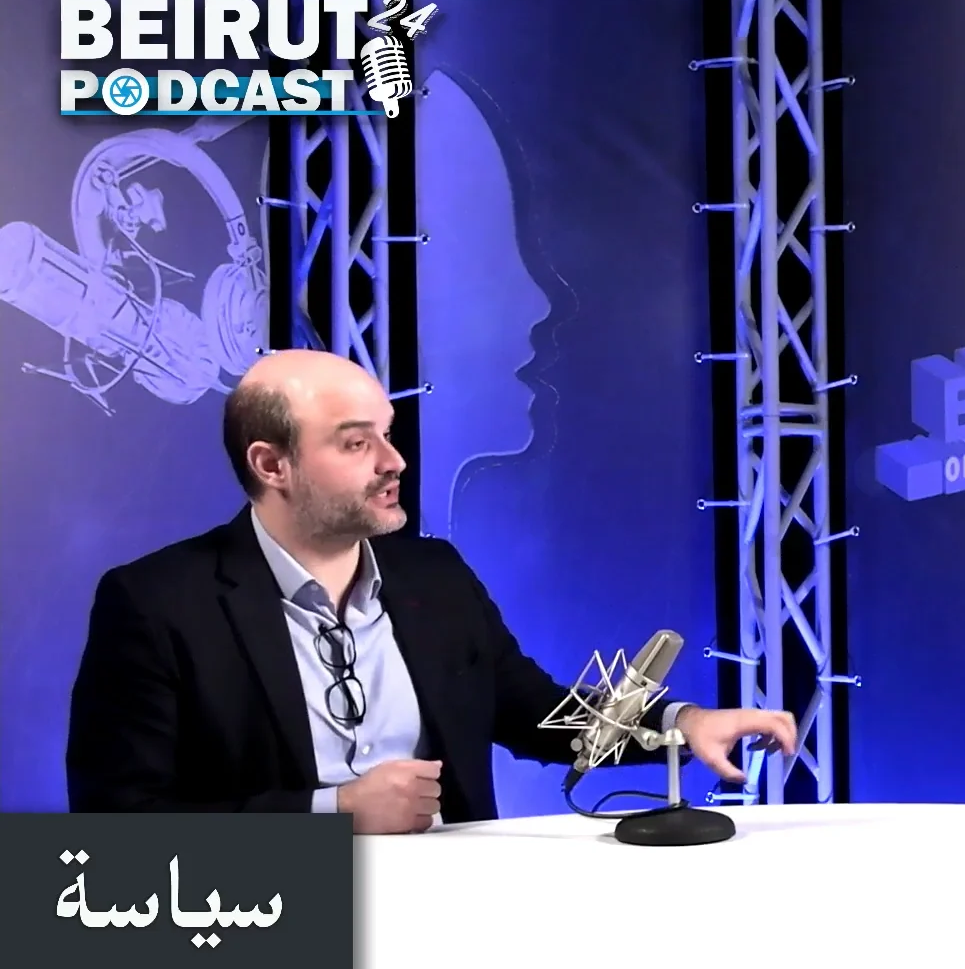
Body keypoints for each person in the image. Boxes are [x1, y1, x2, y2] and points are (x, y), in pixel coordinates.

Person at [66, 349, 798, 833]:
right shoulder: (157, 602)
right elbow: (118, 822)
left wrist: (681, 723)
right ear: (272, 465)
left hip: (451, 917)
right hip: (271, 926)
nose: (395, 461)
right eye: (357, 443)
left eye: (387, 434)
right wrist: (335, 814)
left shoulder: (433, 574)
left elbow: (531, 711)